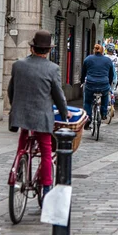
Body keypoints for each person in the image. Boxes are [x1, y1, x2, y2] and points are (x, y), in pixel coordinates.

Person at [8, 30, 71, 197]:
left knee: (23, 142)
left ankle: (19, 168)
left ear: (32, 48)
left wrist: (15, 106)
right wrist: (65, 113)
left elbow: (11, 90)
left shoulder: (18, 65)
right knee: (45, 150)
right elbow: (58, 95)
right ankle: (46, 188)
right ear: (48, 50)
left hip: (20, 114)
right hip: (42, 117)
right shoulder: (52, 69)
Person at [81, 44, 114, 126]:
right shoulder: (108, 60)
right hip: (104, 84)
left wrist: (82, 81)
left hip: (91, 84)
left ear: (94, 50)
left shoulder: (88, 59)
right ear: (103, 51)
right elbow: (111, 75)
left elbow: (83, 73)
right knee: (105, 95)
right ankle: (103, 113)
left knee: (88, 101)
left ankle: (88, 118)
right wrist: (108, 84)